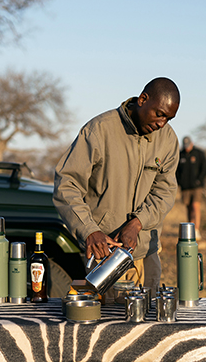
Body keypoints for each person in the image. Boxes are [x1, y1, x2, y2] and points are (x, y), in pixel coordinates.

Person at [53, 77, 180, 292]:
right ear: (142, 99)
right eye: (159, 114)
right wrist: (90, 230)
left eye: (168, 119)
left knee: (147, 322)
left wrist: (138, 222)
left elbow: (164, 191)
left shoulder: (168, 140)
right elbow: (67, 185)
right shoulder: (99, 130)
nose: (161, 124)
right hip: (105, 256)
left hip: (146, 252)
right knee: (108, 323)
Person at [176, 136, 206, 237]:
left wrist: (199, 180)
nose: (187, 147)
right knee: (188, 207)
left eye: (188, 145)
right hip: (185, 187)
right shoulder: (180, 155)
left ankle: (197, 229)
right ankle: (190, 229)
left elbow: (205, 168)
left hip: (196, 187)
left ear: (192, 143)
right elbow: (176, 170)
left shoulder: (199, 153)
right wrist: (179, 182)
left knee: (195, 206)